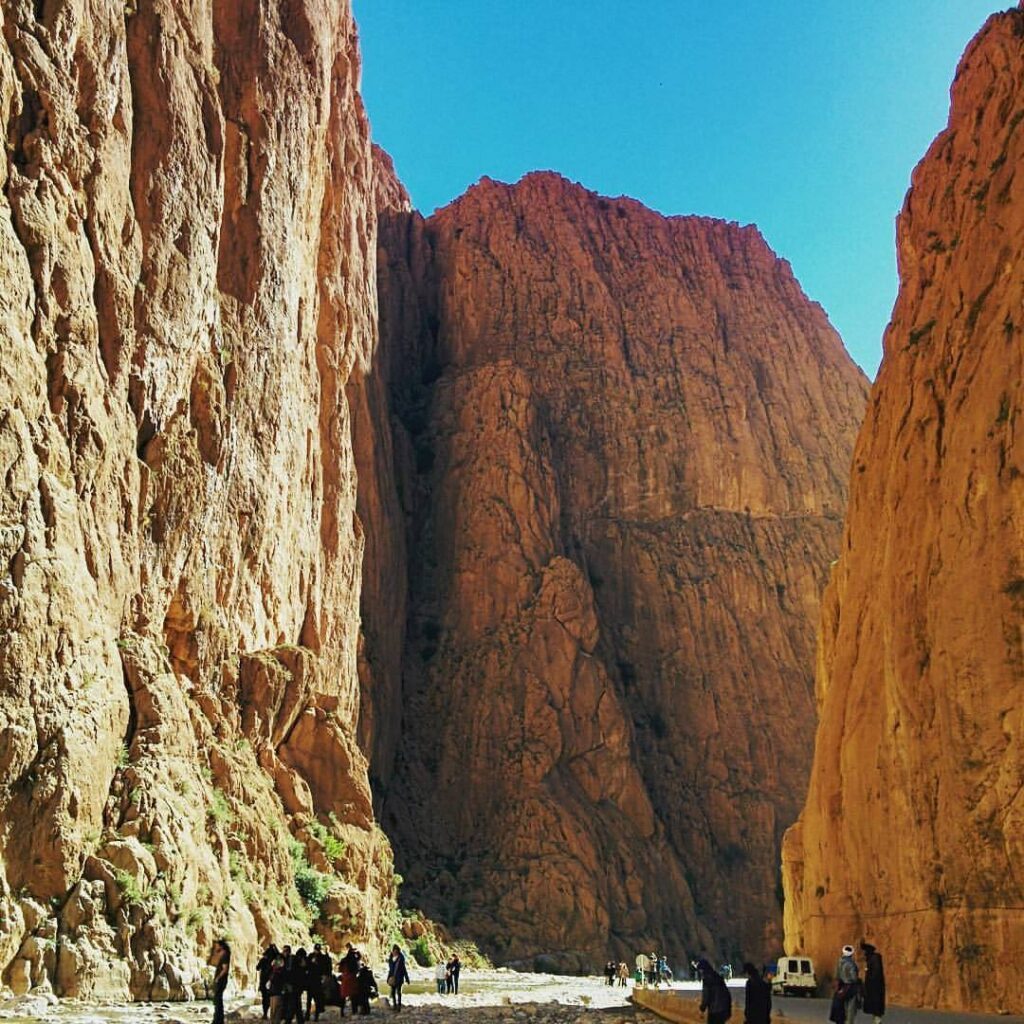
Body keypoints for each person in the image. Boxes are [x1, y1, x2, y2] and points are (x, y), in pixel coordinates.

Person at [697, 958, 732, 1024]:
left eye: (700, 970)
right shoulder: (718, 977)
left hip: (714, 1011)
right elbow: (727, 993)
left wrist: (702, 1008)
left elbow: (706, 996)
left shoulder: (706, 980)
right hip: (723, 1010)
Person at [835, 945, 861, 1024]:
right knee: (851, 1008)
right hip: (850, 987)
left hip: (842, 987)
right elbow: (854, 978)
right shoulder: (851, 964)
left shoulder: (840, 962)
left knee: (844, 1007)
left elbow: (837, 975)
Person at [860, 943, 885, 1024]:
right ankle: (876, 1019)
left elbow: (875, 974)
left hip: (875, 988)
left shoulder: (874, 959)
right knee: (875, 1006)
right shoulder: (873, 959)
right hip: (873, 988)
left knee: (876, 1005)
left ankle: (877, 1020)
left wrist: (869, 981)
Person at [211, 939, 231, 1024]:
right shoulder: (224, 954)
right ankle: (218, 1019)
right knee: (218, 999)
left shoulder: (225, 955)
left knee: (218, 999)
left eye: (217, 945)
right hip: (221, 980)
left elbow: (225, 969)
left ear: (221, 946)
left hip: (221, 980)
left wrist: (218, 978)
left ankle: (218, 1020)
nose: (216, 947)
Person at [258, 944, 280, 1020]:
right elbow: (280, 956)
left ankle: (265, 1014)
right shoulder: (276, 961)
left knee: (265, 999)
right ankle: (272, 1015)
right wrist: (275, 948)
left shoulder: (263, 960)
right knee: (273, 998)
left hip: (264, 981)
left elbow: (257, 968)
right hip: (273, 982)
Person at [339, 945, 361, 1016]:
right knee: (354, 996)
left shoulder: (344, 960)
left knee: (343, 996)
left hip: (345, 979)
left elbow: (340, 969)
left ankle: (342, 1012)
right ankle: (354, 1011)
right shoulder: (354, 961)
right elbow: (357, 970)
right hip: (352, 979)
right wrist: (357, 953)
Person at [387, 944, 410, 1011]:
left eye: (396, 951)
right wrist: (388, 978)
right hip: (392, 977)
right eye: (394, 951)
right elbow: (390, 970)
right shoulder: (391, 958)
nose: (395, 952)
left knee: (399, 992)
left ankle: (399, 1006)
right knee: (393, 992)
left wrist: (407, 978)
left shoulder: (401, 958)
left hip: (399, 977)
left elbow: (404, 969)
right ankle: (394, 1005)